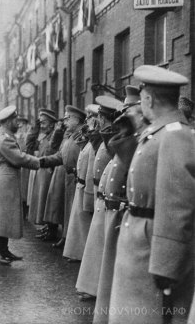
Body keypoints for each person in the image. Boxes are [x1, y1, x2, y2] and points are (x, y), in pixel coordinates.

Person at [109, 65, 195, 324]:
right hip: (139, 242)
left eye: (143, 98)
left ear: (148, 99)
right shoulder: (156, 132)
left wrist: (167, 266)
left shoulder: (175, 136)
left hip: (152, 249)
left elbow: (178, 205)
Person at [93, 86, 145, 323]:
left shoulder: (146, 140)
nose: (123, 114)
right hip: (117, 210)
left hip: (128, 213)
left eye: (129, 109)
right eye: (122, 109)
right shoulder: (132, 137)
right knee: (110, 273)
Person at [76, 95, 123, 301]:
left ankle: (97, 288)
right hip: (102, 196)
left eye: (100, 117)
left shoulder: (117, 136)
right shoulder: (106, 135)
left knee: (102, 245)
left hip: (110, 199)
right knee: (97, 244)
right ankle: (92, 286)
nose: (98, 121)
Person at [0, 105, 40, 265]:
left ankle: (3, 249)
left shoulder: (5, 135)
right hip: (4, 179)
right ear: (7, 121)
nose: (18, 123)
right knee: (0, 215)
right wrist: (39, 162)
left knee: (5, 215)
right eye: (15, 120)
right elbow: (19, 158)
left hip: (7, 178)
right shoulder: (4, 138)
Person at [39, 105, 86, 249]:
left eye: (67, 118)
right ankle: (67, 238)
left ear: (76, 120)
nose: (64, 122)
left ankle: (74, 243)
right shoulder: (71, 135)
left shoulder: (83, 135)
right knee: (68, 211)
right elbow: (61, 155)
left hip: (77, 178)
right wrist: (42, 161)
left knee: (76, 212)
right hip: (69, 177)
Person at [63, 104, 99, 262]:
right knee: (78, 220)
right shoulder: (84, 136)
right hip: (79, 181)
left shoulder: (93, 139)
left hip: (86, 184)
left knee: (83, 221)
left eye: (92, 117)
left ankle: (83, 253)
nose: (88, 120)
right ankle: (78, 251)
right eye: (89, 116)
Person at [27, 109, 61, 238]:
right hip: (43, 172)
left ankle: (52, 229)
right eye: (40, 123)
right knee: (43, 201)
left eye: (44, 123)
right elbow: (30, 145)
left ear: (52, 124)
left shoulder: (56, 135)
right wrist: (35, 128)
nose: (42, 126)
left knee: (49, 201)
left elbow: (52, 152)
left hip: (49, 172)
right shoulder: (45, 135)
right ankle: (47, 226)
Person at [16, 116, 30, 219]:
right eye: (19, 124)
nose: (20, 126)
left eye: (22, 124)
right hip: (18, 165)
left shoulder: (28, 136)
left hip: (27, 165)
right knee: (19, 189)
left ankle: (25, 211)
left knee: (26, 189)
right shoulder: (14, 136)